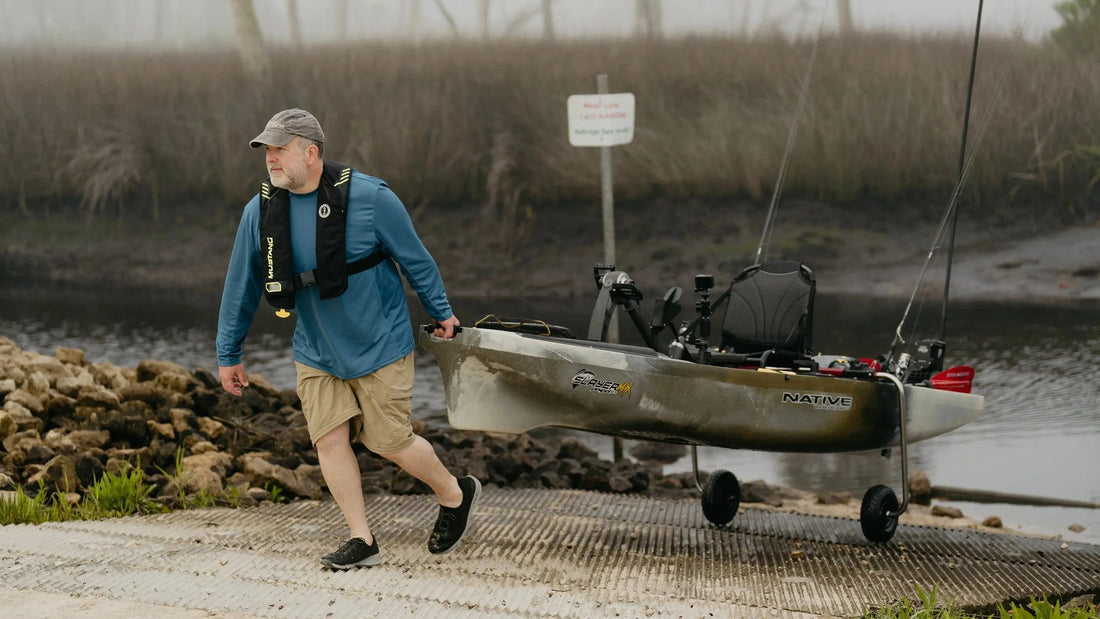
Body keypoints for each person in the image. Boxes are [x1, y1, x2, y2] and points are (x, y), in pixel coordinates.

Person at [216, 108, 479, 570]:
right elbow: (241, 284)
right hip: (316, 350)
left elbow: (417, 261)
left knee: (389, 442)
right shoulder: (258, 212)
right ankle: (362, 538)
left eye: (280, 149)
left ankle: (455, 494)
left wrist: (443, 314)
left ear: (311, 153)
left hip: (381, 342)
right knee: (328, 440)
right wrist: (228, 353)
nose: (271, 159)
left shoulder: (373, 198)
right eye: (267, 151)